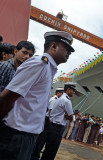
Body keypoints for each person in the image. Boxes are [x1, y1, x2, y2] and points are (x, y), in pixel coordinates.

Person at [0, 31, 75, 160]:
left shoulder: (48, 68)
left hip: (26, 137)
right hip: (15, 137)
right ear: (53, 46)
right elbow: (7, 97)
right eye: (66, 48)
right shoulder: (39, 64)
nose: (69, 53)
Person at [40, 82, 76, 160]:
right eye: (73, 90)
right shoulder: (66, 101)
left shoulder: (59, 99)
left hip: (52, 126)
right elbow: (71, 117)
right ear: (68, 89)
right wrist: (67, 116)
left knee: (48, 149)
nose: (74, 92)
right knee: (52, 151)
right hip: (57, 128)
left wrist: (66, 115)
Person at [31, 87, 64, 160]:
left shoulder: (57, 99)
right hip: (48, 120)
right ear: (58, 93)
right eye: (62, 93)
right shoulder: (54, 99)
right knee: (42, 139)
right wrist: (51, 121)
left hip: (48, 120)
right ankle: (35, 155)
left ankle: (36, 154)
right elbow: (50, 111)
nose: (62, 95)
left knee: (43, 138)